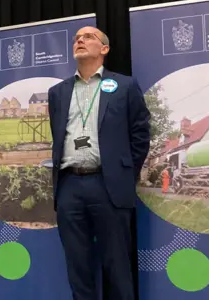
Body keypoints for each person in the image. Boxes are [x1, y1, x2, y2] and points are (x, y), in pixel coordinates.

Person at [47, 26, 150, 300]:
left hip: (109, 185)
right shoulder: (57, 92)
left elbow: (140, 134)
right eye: (76, 38)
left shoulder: (124, 86)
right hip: (69, 186)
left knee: (117, 266)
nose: (80, 40)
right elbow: (59, 136)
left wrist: (125, 173)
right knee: (77, 267)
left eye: (88, 37)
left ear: (104, 49)